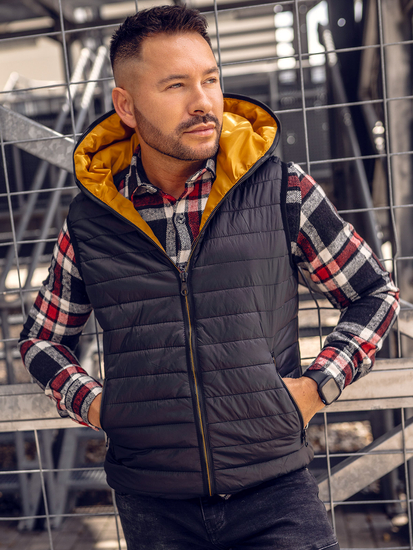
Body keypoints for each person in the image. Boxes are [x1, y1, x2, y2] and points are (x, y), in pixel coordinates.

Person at [19, 5, 399, 550]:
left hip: (275, 492)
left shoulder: (282, 190)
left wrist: (319, 385)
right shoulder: (91, 222)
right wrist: (99, 406)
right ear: (126, 106)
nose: (203, 102)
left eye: (210, 79)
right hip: (153, 506)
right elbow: (42, 340)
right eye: (175, 85)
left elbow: (374, 293)